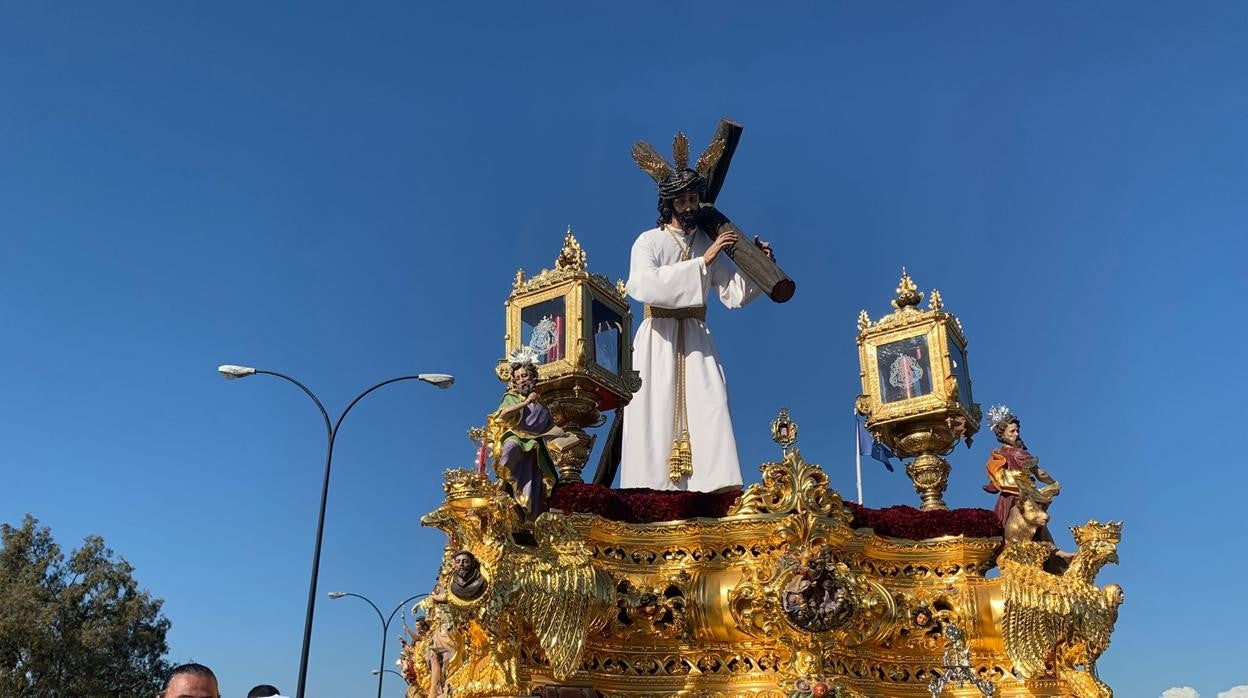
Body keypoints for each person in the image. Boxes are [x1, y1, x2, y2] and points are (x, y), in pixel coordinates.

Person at [622, 137, 773, 492]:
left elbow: (733, 294)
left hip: (696, 334)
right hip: (656, 336)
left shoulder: (708, 242)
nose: (689, 206)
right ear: (669, 204)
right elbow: (641, 284)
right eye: (682, 200)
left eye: (693, 199)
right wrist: (701, 263)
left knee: (711, 402)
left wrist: (761, 265)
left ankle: (714, 486)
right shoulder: (648, 241)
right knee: (653, 410)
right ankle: (651, 488)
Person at [490, 348, 578, 520]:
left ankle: (529, 513)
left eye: (524, 376)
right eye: (517, 379)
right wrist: (525, 403)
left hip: (536, 447)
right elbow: (503, 414)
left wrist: (566, 437)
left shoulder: (543, 406)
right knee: (510, 448)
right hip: (516, 436)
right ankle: (504, 482)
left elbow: (550, 429)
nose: (521, 381)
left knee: (537, 483)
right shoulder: (512, 397)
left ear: (532, 377)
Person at [982, 405, 1060, 543]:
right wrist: (1053, 483)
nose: (1016, 434)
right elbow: (1039, 473)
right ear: (1002, 434)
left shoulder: (999, 454)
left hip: (1006, 500)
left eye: (1017, 430)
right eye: (1012, 431)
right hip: (1021, 497)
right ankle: (1053, 552)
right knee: (1040, 525)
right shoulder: (1018, 453)